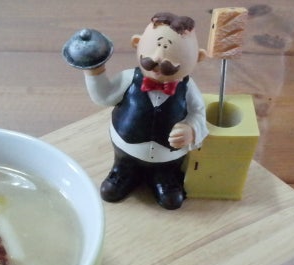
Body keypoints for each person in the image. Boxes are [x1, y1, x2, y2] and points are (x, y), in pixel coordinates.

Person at [82, 12, 208, 209]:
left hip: (168, 157)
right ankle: (122, 173)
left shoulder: (188, 88)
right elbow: (104, 96)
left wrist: (191, 130)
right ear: (137, 43)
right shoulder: (128, 78)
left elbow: (199, 113)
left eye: (171, 53)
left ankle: (165, 179)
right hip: (126, 149)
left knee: (171, 199)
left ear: (198, 57)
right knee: (113, 188)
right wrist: (94, 71)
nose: (158, 58)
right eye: (155, 47)